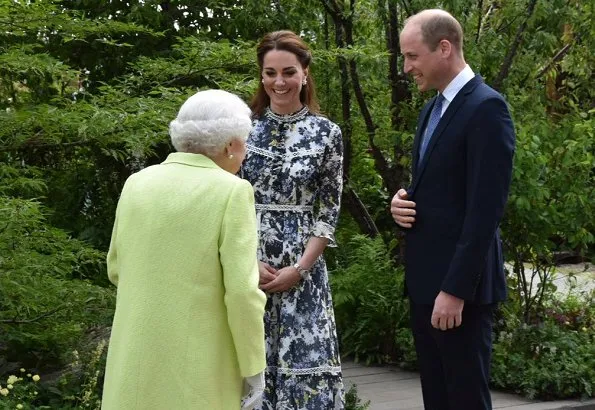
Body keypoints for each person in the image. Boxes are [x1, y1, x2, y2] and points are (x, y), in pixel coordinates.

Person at [101, 89, 267, 410]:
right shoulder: (232, 192)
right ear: (229, 145)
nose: (245, 151)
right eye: (244, 142)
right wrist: (253, 367)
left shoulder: (137, 183)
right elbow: (242, 293)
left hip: (133, 363)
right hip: (199, 370)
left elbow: (116, 269)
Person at [390, 9, 515, 410]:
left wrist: (455, 290)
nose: (407, 67)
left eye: (412, 56)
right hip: (426, 284)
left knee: (465, 401)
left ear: (444, 48)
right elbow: (440, 187)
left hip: (459, 292)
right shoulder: (433, 109)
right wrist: (402, 202)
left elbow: (485, 210)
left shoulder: (486, 108)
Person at [241, 30, 345, 409]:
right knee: (250, 373)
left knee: (306, 378)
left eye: (288, 72)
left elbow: (328, 213)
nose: (278, 82)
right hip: (249, 267)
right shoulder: (243, 128)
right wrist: (247, 263)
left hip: (304, 271)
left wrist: (299, 270)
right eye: (270, 73)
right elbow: (225, 203)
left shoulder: (327, 133)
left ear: (305, 73)